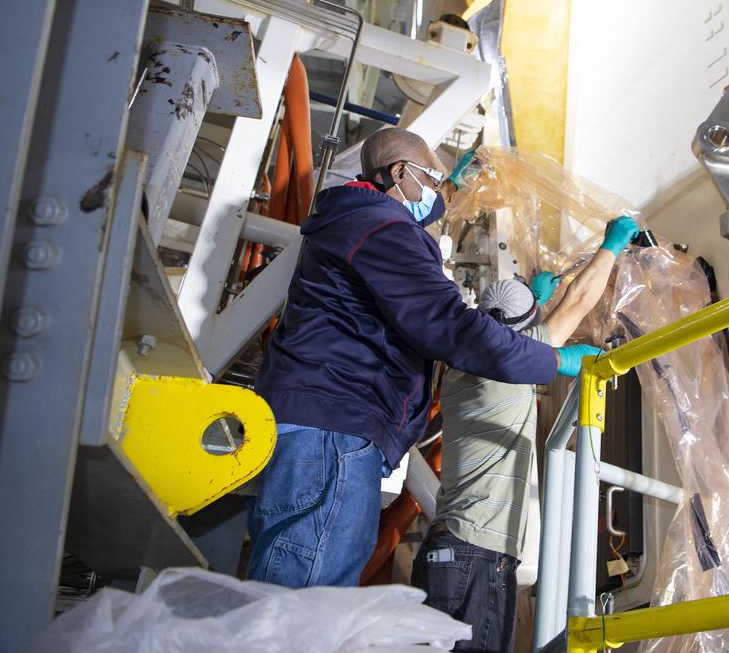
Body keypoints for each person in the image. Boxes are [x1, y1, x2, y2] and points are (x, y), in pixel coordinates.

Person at [247, 128, 602, 588]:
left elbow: (420, 211)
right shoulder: (383, 229)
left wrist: (453, 183)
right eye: (431, 180)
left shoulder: (360, 220)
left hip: (325, 423)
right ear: (399, 172)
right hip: (335, 427)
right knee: (307, 599)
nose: (436, 194)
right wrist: (556, 362)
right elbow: (450, 325)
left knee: (304, 590)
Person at [411, 215, 640, 653]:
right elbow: (579, 301)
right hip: (476, 555)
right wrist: (613, 244)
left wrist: (535, 298)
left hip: (452, 552)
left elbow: (514, 334)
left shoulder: (466, 364)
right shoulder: (504, 364)